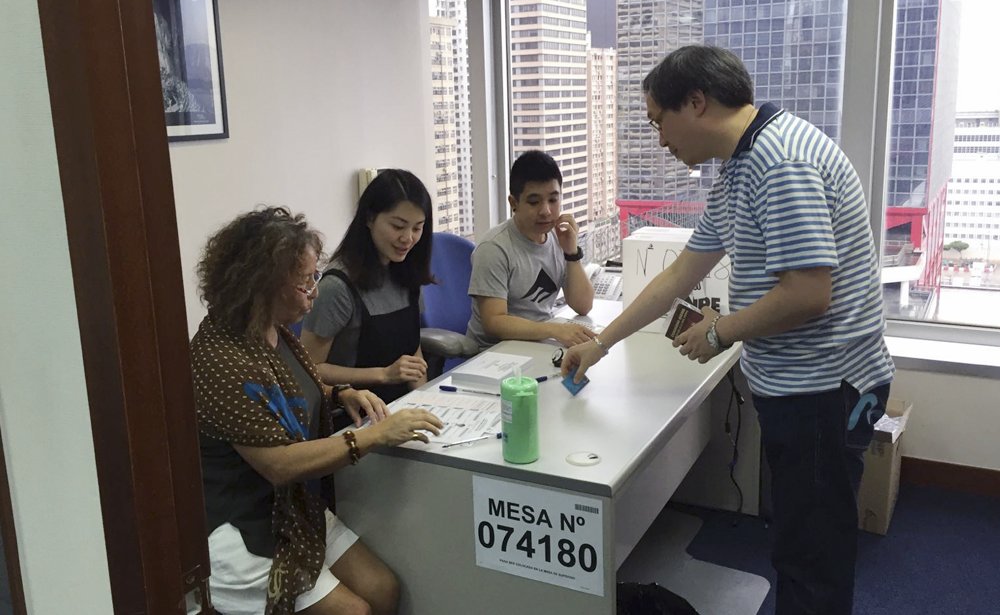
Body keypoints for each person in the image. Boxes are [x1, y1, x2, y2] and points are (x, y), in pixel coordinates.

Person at [562, 45, 894, 615]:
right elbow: (679, 276)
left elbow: (809, 293)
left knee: (813, 556)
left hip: (823, 391)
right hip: (801, 387)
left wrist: (721, 331)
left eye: (658, 122)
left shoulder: (779, 162)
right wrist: (601, 341)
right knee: (801, 540)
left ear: (696, 102)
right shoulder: (744, 165)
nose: (660, 140)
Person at [191, 206, 442, 615]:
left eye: (314, 277)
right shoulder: (220, 362)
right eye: (305, 282)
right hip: (241, 522)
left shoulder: (272, 330)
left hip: (289, 507)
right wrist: (373, 435)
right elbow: (279, 464)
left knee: (383, 589)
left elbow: (287, 391)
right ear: (264, 285)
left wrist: (339, 393)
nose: (315, 291)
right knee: (354, 611)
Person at [301, 170, 433, 405]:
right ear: (370, 218)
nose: (408, 238)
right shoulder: (337, 287)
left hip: (402, 405)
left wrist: (425, 401)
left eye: (417, 228)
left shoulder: (407, 273)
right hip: (355, 410)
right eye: (398, 226)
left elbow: (413, 353)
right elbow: (310, 369)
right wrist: (383, 374)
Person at [466, 150, 595, 350]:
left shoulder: (558, 237)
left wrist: (572, 253)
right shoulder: (494, 248)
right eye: (534, 202)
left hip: (539, 344)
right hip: (494, 353)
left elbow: (583, 305)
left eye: (553, 200)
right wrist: (554, 330)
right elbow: (494, 322)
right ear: (514, 203)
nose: (546, 211)